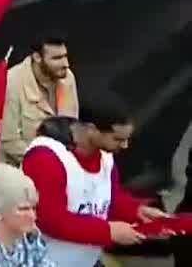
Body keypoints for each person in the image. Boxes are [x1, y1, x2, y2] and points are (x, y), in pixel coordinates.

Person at [21, 100, 166, 267]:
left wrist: (137, 211)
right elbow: (50, 220)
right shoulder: (45, 157)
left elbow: (109, 198)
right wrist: (108, 232)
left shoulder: (105, 156)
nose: (125, 146)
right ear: (91, 129)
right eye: (118, 139)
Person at [0, 36, 79, 166]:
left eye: (65, 56)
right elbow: (9, 141)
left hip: (62, 164)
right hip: (19, 170)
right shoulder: (11, 82)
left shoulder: (67, 77)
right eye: (57, 58)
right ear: (37, 57)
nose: (66, 64)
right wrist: (48, 163)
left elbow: (73, 128)